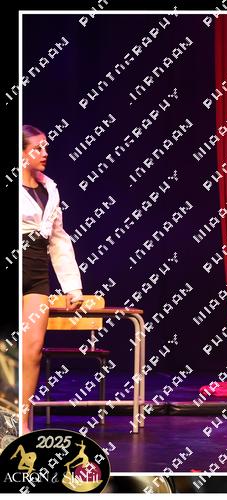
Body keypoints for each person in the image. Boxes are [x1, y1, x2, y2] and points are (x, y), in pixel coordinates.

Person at [20, 124, 84, 434]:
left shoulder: (50, 189)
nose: (45, 153)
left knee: (32, 351)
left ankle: (19, 423)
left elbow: (58, 239)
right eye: (37, 148)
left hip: (35, 272)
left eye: (46, 147)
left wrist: (73, 288)